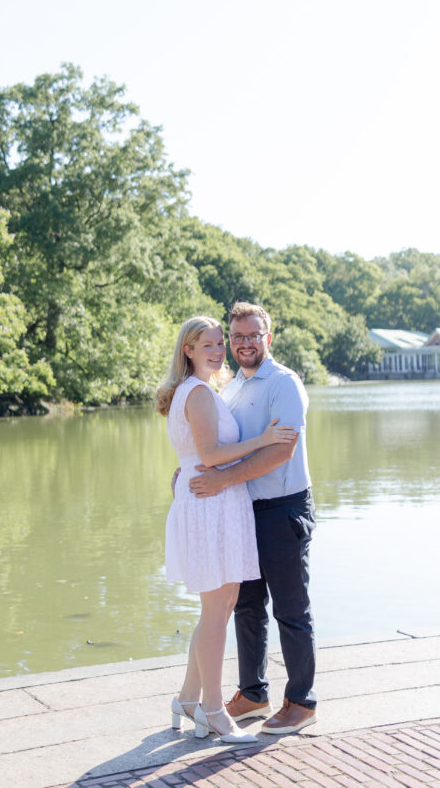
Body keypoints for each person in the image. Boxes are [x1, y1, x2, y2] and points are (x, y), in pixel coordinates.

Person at [156, 315, 297, 744]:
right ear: (188, 350)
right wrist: (261, 440)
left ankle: (187, 697)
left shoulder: (206, 390)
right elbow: (212, 455)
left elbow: (197, 453)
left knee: (217, 607)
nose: (219, 351)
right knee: (217, 611)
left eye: (221, 343)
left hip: (216, 502)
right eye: (209, 345)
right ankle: (213, 710)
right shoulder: (197, 392)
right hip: (210, 504)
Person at [189, 301, 317, 735]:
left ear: (268, 336)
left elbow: (281, 450)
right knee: (246, 605)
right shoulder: (231, 387)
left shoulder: (283, 383)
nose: (244, 343)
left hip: (282, 510)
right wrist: (190, 469)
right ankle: (253, 693)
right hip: (243, 511)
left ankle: (301, 701)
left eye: (252, 335)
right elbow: (220, 445)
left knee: (290, 609)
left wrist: (223, 480)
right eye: (236, 336)